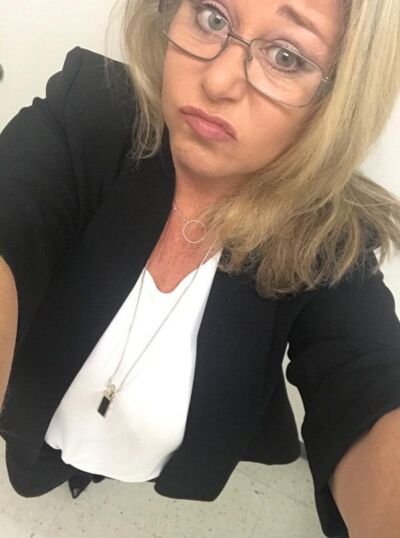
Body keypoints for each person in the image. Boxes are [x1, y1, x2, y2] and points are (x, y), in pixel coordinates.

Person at [0, 0, 400, 536]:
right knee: (39, 463)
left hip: (147, 469)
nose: (218, 81)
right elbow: (12, 211)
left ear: (339, 97)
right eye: (212, 17)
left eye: (286, 56)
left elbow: (367, 377)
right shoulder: (87, 109)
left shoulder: (330, 241)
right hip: (35, 438)